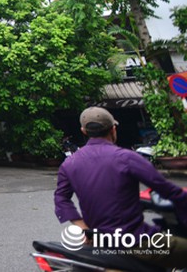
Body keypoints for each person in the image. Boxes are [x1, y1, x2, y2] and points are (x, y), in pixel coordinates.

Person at [55, 106, 187, 267]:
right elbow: (169, 191)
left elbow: (61, 199)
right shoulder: (127, 158)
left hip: (99, 243)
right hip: (136, 242)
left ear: (84, 131)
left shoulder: (69, 163)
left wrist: (84, 228)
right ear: (113, 129)